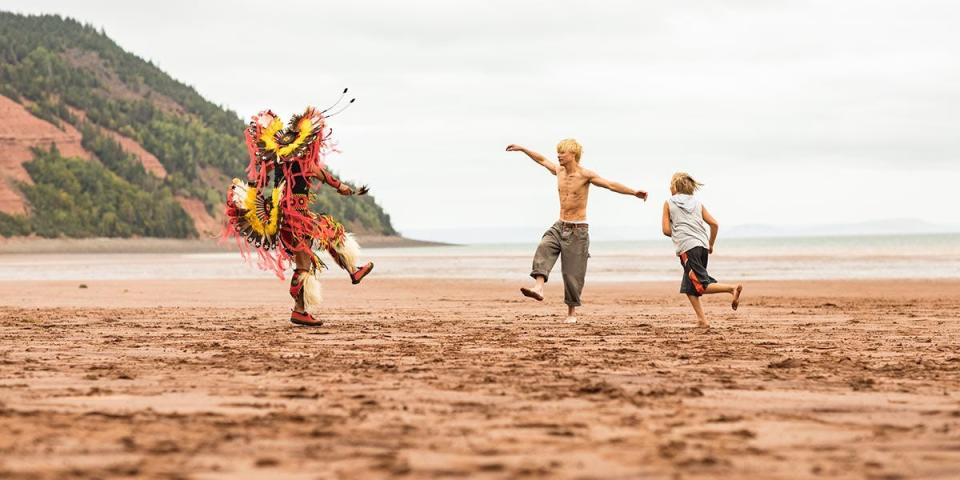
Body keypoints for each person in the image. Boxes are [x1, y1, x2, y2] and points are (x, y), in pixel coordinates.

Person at [223, 105, 374, 327]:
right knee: (306, 262)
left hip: (288, 218)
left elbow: (312, 175)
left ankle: (352, 272)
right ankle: (300, 310)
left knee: (329, 233)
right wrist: (343, 187)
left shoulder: (281, 161)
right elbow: (323, 174)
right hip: (295, 219)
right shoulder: (303, 163)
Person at [507, 139, 647, 323]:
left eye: (562, 153)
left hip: (578, 230)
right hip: (560, 224)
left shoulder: (585, 175)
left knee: (572, 274)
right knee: (544, 246)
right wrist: (523, 149)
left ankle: (571, 313)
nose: (558, 156)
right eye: (558, 152)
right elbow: (541, 159)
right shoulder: (559, 171)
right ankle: (538, 287)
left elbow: (611, 185)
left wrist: (633, 192)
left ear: (573, 155)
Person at [661, 172, 742, 328]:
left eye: (671, 184)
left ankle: (731, 288)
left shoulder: (668, 203)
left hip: (687, 247)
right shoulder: (697, 203)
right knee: (689, 287)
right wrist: (710, 244)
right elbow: (714, 224)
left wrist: (679, 231)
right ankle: (702, 321)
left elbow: (665, 230)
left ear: (676, 186)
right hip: (702, 246)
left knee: (700, 285)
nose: (669, 187)